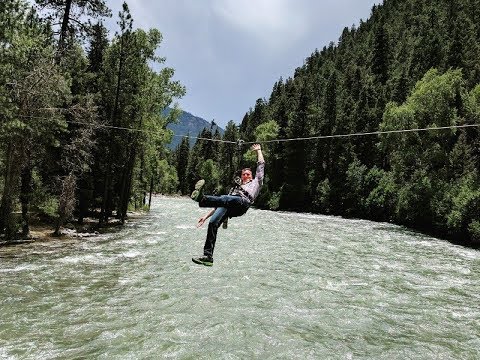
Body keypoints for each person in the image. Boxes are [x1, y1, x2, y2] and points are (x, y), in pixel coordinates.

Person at [190, 143, 265, 266]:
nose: (245, 176)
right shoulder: (235, 189)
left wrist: (259, 151)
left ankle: (201, 199)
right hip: (230, 204)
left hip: (242, 203)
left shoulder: (257, 182)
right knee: (213, 223)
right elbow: (219, 203)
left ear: (251, 177)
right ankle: (208, 256)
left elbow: (261, 165)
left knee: (225, 198)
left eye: (248, 174)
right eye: (243, 174)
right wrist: (205, 217)